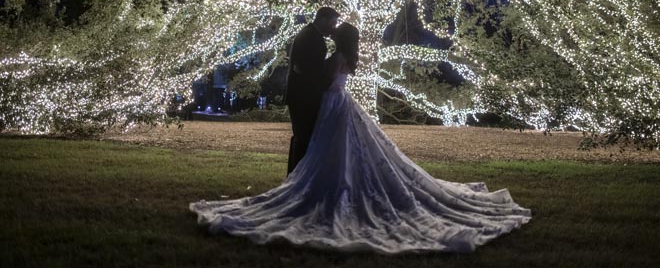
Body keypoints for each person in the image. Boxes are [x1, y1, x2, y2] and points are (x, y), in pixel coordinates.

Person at [190, 22, 531, 254]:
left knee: (335, 150)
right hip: (341, 104)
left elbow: (323, 82)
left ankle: (335, 189)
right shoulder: (348, 57)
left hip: (332, 104)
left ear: (339, 40)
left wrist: (301, 75)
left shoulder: (336, 57)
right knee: (346, 150)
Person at [284, 7, 339, 174]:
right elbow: (302, 68)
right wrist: (327, 81)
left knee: (302, 138)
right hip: (304, 97)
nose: (333, 28)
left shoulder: (309, 35)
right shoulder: (311, 38)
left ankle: (295, 176)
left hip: (302, 96)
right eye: (332, 23)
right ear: (323, 19)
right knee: (304, 138)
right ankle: (297, 177)